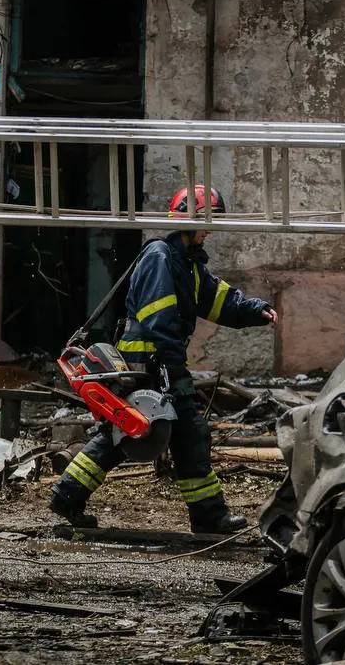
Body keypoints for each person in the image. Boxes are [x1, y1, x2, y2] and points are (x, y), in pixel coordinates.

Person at [49, 184, 278, 534]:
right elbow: (160, 318)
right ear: (188, 220)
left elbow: (218, 299)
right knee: (157, 433)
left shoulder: (188, 264)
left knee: (133, 434)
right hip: (149, 364)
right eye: (206, 221)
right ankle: (208, 516)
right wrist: (171, 365)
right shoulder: (160, 257)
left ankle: (68, 495)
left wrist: (254, 310)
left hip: (160, 362)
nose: (209, 229)